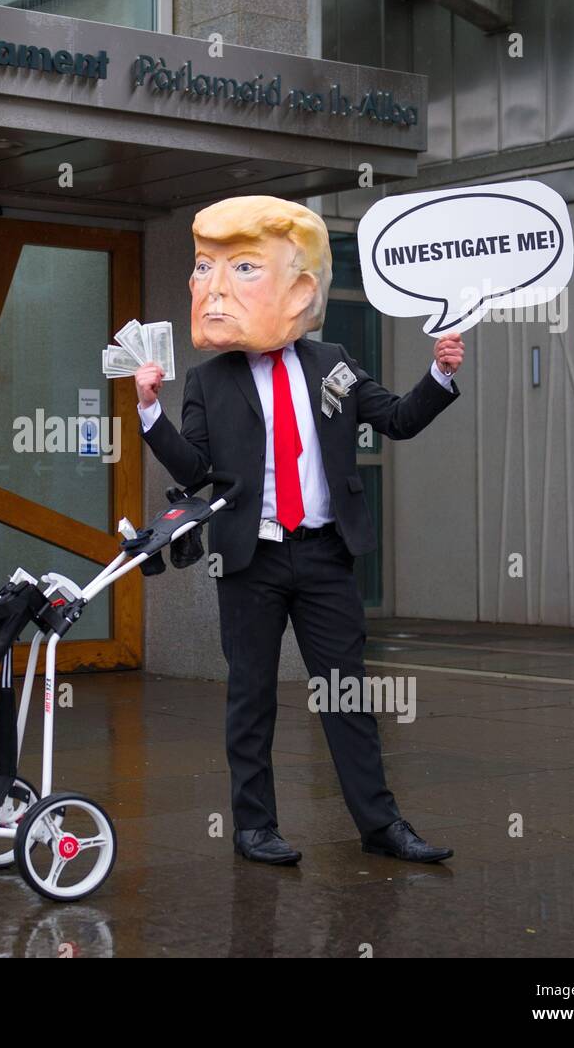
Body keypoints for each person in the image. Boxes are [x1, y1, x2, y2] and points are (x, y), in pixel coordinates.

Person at [133, 195, 463, 865]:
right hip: (250, 560)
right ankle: (254, 827)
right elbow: (196, 469)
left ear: (299, 289)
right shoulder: (209, 379)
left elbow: (396, 419)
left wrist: (440, 373)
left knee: (348, 697)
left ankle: (381, 826)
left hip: (324, 556)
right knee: (250, 698)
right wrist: (148, 411)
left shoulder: (331, 361)